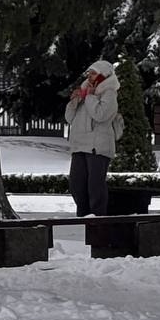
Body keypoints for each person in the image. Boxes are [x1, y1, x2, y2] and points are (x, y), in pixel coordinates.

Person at [64, 58, 121, 217]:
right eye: (89, 73)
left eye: (94, 73)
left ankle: (97, 220)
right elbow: (69, 118)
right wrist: (76, 100)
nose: (89, 76)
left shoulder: (109, 93)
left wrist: (89, 97)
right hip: (79, 145)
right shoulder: (85, 90)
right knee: (76, 185)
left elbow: (100, 115)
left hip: (98, 146)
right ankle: (82, 218)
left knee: (95, 188)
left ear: (103, 75)